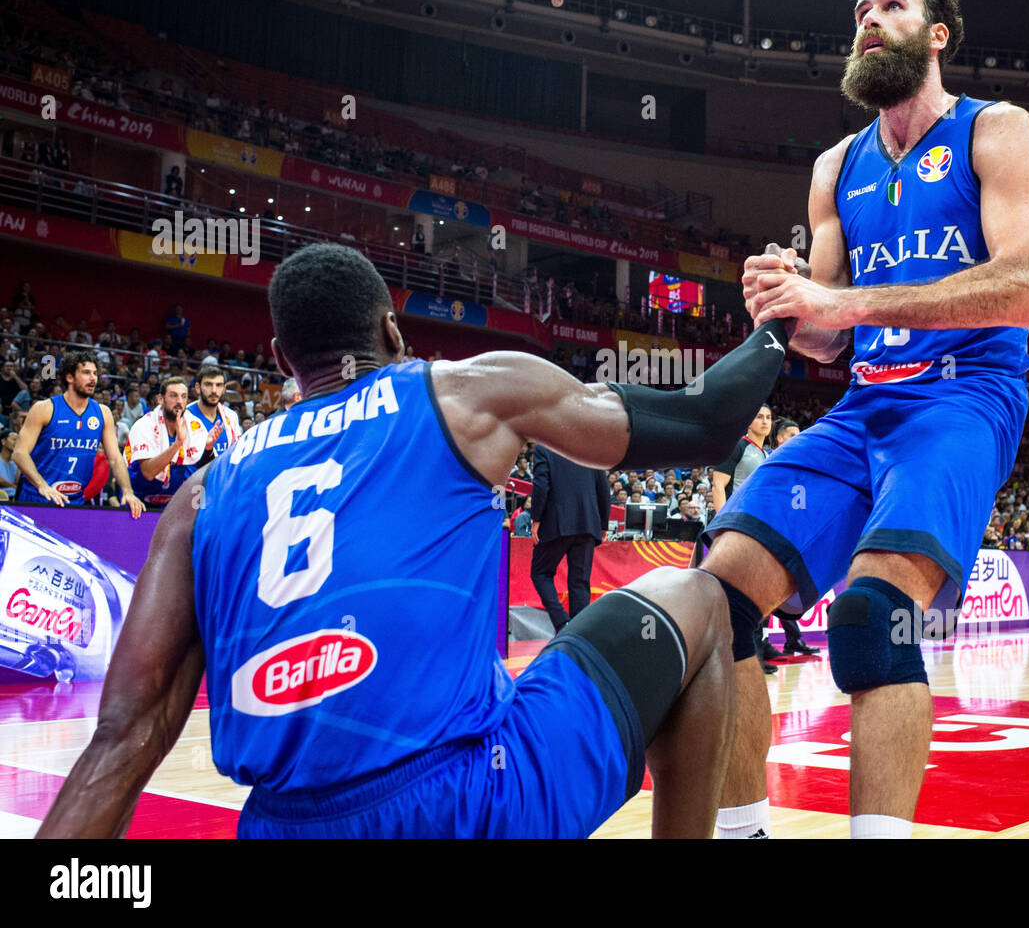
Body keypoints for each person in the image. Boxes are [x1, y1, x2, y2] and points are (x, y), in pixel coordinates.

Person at [38, 242, 792, 839]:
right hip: (468, 803)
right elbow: (707, 421)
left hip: (281, 824)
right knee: (695, 595)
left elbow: (122, 738)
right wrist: (781, 318)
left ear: (280, 361)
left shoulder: (202, 495)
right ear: (392, 333)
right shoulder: (460, 393)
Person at [697, 0, 1029, 840]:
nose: (867, 19)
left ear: (936, 36)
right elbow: (825, 336)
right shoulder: (833, 167)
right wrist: (783, 300)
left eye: (890, 5)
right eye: (858, 10)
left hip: (965, 398)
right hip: (862, 408)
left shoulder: (996, 130)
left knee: (871, 611)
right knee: (716, 596)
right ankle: (743, 833)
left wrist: (839, 301)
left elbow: (1021, 288)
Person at [11, 350, 144, 517]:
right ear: (69, 377)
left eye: (95, 373)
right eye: (86, 373)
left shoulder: (103, 413)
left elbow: (115, 458)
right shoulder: (44, 408)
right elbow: (19, 453)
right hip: (37, 498)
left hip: (75, 502)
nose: (93, 378)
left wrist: (127, 491)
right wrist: (42, 485)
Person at [708, 404, 778, 673]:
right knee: (733, 592)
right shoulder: (738, 446)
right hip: (736, 525)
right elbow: (718, 485)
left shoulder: (766, 453)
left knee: (756, 592)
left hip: (759, 527)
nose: (764, 421)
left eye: (769, 417)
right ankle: (727, 656)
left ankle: (754, 654)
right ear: (749, 421)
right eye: (759, 417)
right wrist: (723, 523)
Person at [529, 443, 611, 632]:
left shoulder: (544, 448)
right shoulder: (589, 449)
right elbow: (603, 488)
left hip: (556, 523)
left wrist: (537, 518)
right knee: (580, 582)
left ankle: (561, 622)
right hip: (587, 524)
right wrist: (604, 524)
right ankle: (577, 633)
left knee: (540, 573)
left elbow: (541, 484)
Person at [769, 419, 820, 658]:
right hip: (771, 528)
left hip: (792, 529)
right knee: (771, 587)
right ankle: (766, 642)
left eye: (799, 433)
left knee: (786, 586)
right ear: (779, 438)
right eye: (791, 434)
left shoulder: (800, 463)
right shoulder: (772, 460)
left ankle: (793, 639)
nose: (797, 437)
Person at [125, 376, 204, 508]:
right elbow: (148, 473)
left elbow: (198, 471)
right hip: (141, 502)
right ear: (160, 399)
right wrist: (177, 444)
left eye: (184, 397)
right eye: (174, 396)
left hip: (174, 506)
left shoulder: (196, 426)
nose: (179, 401)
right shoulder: (144, 425)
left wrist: (208, 448)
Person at [186, 365, 243, 467]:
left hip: (220, 480)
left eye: (218, 385)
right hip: (191, 480)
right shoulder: (185, 416)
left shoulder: (231, 416)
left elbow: (236, 454)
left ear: (224, 388)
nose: (214, 390)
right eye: (208, 384)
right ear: (198, 388)